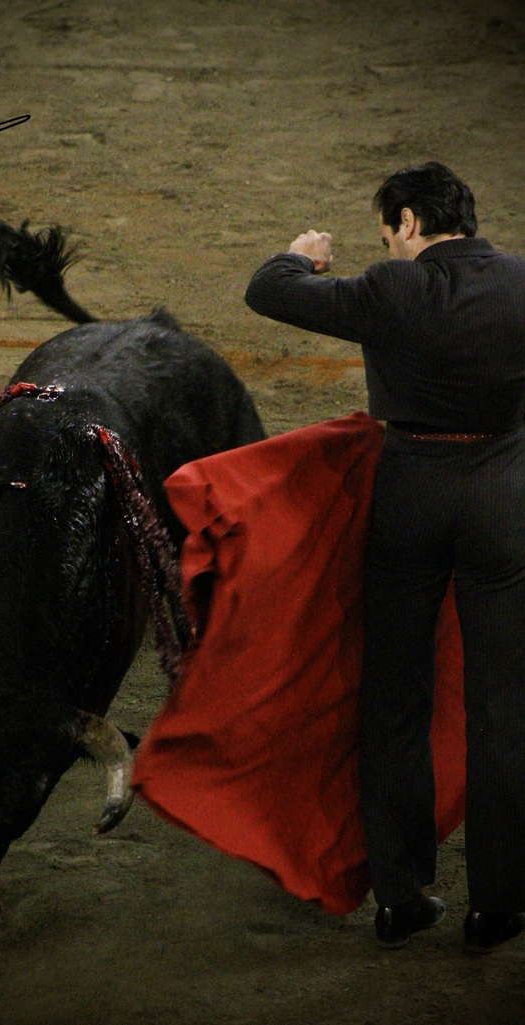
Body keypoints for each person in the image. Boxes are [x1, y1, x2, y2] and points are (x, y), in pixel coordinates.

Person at [244, 161, 525, 955]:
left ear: (407, 221)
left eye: (387, 234)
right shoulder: (521, 283)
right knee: (504, 702)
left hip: (411, 494)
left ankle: (401, 896)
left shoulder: (391, 288)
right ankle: (499, 904)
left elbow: (267, 289)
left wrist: (301, 256)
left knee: (396, 692)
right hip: (502, 499)